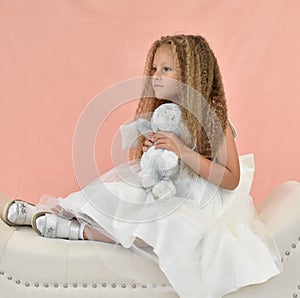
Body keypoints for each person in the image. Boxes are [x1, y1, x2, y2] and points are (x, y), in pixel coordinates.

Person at [1, 34, 282, 298]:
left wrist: (182, 152)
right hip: (166, 188)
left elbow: (232, 178)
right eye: (155, 68)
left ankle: (76, 231)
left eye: (166, 69)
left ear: (191, 75)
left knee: (164, 226)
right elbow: (153, 161)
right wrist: (153, 150)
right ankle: (49, 211)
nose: (155, 76)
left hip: (200, 200)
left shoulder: (213, 119)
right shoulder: (166, 113)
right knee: (119, 197)